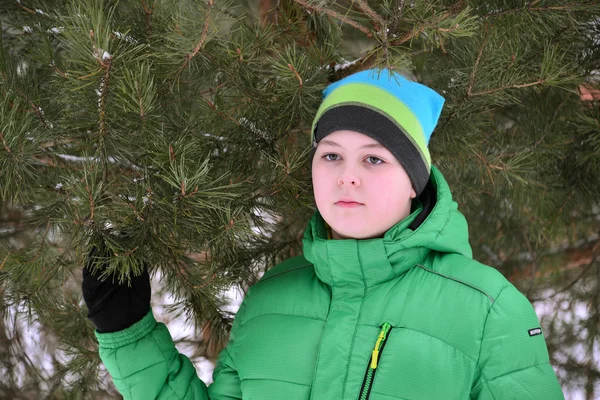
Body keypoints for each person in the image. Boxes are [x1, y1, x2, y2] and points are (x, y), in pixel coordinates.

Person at [82, 69, 564, 399]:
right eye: (331, 154)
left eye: (374, 158)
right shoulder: (272, 297)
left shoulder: (488, 309)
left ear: (415, 182)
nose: (347, 176)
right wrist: (127, 331)